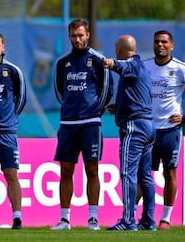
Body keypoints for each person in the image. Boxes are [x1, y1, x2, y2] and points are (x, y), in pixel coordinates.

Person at [52, 19, 113, 230]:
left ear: (87, 34)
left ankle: (93, 218)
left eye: (80, 35)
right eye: (73, 35)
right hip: (68, 123)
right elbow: (60, 91)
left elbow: (107, 88)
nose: (77, 39)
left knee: (92, 169)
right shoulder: (62, 63)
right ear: (69, 36)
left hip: (91, 124)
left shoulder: (98, 60)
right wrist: (70, 107)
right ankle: (64, 219)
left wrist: (96, 110)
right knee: (66, 170)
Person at [103, 35, 156, 231]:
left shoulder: (132, 64)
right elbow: (137, 97)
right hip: (148, 126)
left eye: (116, 47)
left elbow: (122, 67)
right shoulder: (142, 68)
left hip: (134, 127)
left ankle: (128, 220)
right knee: (145, 176)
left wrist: (111, 63)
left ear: (119, 50)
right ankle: (148, 220)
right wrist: (119, 107)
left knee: (128, 174)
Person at [140, 30, 184, 230]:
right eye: (157, 41)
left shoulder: (180, 69)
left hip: (171, 130)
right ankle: (130, 217)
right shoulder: (145, 66)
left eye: (164, 42)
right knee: (143, 174)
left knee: (170, 173)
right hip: (148, 130)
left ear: (171, 46)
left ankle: (165, 218)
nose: (160, 45)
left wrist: (184, 118)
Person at [0, 32, 26, 230]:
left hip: (6, 132)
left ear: (4, 47)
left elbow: (21, 98)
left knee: (11, 173)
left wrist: (9, 119)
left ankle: (17, 218)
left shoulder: (13, 71)